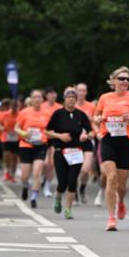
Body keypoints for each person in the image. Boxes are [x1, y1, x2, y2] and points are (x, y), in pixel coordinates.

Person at [94, 66, 129, 231]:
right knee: (111, 177)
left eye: (127, 79)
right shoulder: (105, 98)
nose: (125, 81)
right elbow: (96, 115)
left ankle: (121, 201)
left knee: (121, 184)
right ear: (113, 81)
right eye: (121, 78)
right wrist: (98, 119)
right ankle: (111, 218)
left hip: (126, 142)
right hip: (108, 140)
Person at [46, 87, 94, 218]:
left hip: (76, 152)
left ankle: (68, 209)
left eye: (73, 98)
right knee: (62, 183)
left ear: (76, 100)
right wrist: (60, 136)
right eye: (68, 97)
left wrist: (87, 136)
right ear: (64, 100)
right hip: (60, 151)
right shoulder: (57, 114)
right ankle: (58, 197)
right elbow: (47, 132)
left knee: (72, 181)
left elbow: (91, 131)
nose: (71, 100)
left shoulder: (81, 115)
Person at [15, 90, 51, 207]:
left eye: (39, 97)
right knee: (24, 175)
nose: (36, 99)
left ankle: (34, 197)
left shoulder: (47, 113)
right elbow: (16, 128)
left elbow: (50, 130)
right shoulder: (24, 112)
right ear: (31, 99)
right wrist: (24, 133)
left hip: (40, 146)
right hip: (26, 145)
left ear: (42, 99)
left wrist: (47, 135)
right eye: (34, 97)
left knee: (37, 172)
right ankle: (25, 186)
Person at [75, 82, 96, 203]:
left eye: (84, 91)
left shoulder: (91, 107)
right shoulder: (72, 106)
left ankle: (82, 188)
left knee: (85, 170)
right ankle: (74, 191)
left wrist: (89, 134)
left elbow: (94, 125)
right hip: (74, 142)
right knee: (75, 169)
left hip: (87, 140)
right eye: (79, 90)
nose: (82, 93)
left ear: (86, 92)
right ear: (76, 92)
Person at [41, 86, 62, 197]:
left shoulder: (60, 107)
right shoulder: (41, 106)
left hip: (55, 138)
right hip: (43, 138)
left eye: (54, 93)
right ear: (46, 95)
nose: (53, 96)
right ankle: (44, 178)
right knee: (44, 163)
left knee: (51, 163)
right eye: (50, 93)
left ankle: (47, 186)